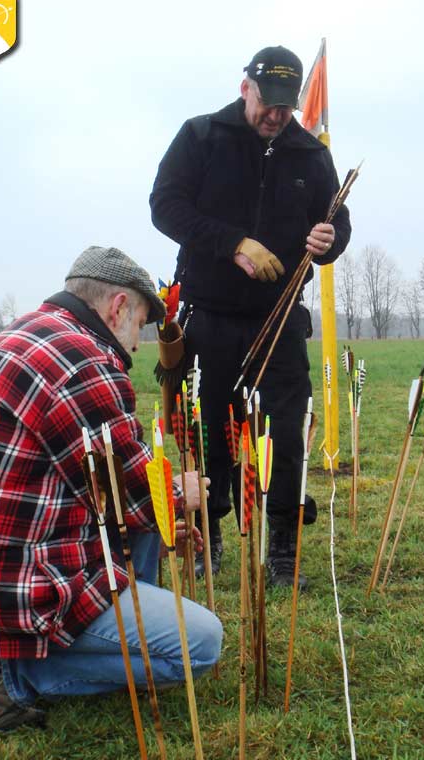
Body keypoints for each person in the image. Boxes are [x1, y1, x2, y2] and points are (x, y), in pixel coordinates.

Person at [0, 246, 222, 733]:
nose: (137, 346)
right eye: (139, 326)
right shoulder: (87, 362)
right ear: (117, 308)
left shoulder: (23, 335)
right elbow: (138, 496)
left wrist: (159, 503)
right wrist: (184, 494)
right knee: (201, 644)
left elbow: (108, 489)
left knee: (149, 518)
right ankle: (12, 673)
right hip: (6, 588)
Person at [150, 46, 352, 587]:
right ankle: (207, 536)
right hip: (210, 316)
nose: (276, 116)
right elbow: (164, 206)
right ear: (246, 88)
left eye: (286, 107)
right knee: (208, 430)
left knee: (286, 432)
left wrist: (330, 241)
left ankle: (282, 547)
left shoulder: (310, 153)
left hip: (281, 319)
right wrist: (232, 243)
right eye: (268, 103)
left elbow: (337, 222)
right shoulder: (200, 137)